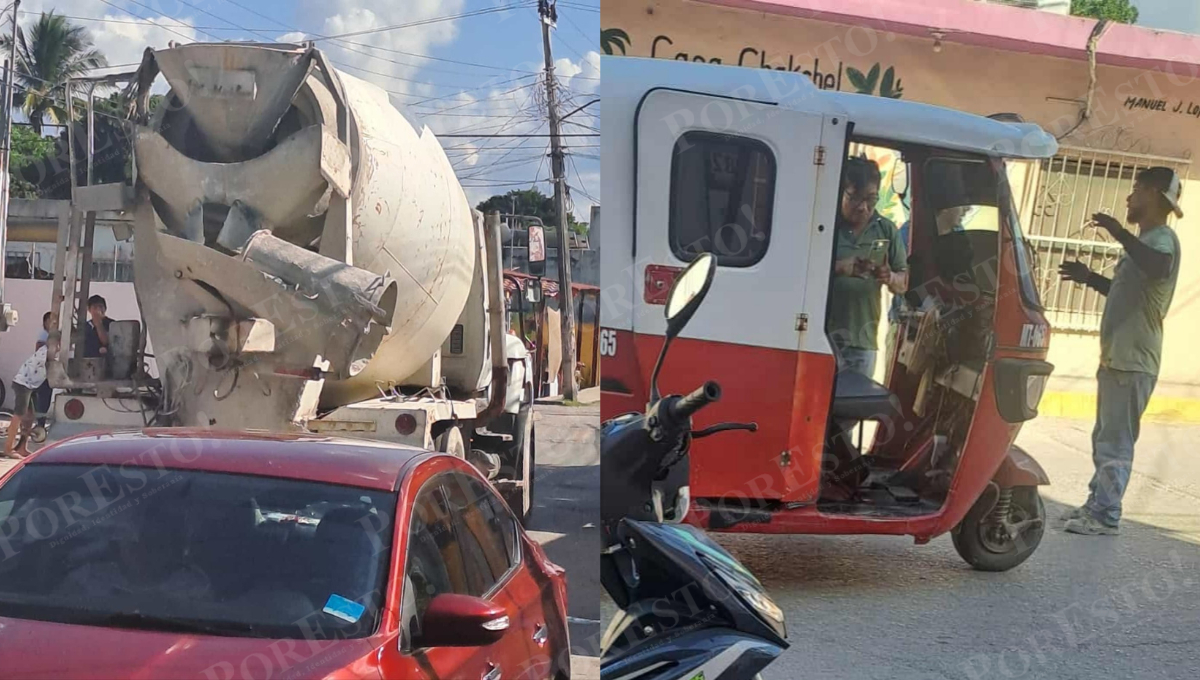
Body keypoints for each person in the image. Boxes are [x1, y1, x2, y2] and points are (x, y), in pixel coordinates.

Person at [1058, 166, 1183, 536]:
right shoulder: (1147, 242)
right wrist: (1089, 277)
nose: (1129, 197)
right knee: (1105, 436)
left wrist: (1117, 232)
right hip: (1118, 357)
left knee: (1116, 440)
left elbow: (1158, 267)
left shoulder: (1163, 241)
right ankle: (1097, 503)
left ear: (1156, 195)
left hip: (1134, 361)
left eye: (1137, 189)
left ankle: (1106, 515)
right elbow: (1125, 291)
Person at [827, 156, 908, 379]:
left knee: (852, 409)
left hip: (863, 342)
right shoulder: (825, 226)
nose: (863, 207)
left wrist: (889, 276)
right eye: (855, 199)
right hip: (821, 340)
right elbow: (800, 273)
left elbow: (903, 283)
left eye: (871, 199)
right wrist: (839, 267)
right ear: (841, 192)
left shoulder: (887, 230)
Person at [4, 343, 47, 459]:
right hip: (24, 384)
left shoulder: (50, 350)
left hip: (31, 385)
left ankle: (22, 447)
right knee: (18, 415)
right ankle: (8, 448)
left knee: (29, 417)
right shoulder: (48, 352)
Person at [83, 294, 112, 359]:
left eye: (101, 307)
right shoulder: (86, 326)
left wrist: (98, 323)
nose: (98, 310)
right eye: (95, 307)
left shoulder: (112, 324)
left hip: (105, 363)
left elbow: (105, 341)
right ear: (89, 309)